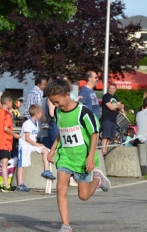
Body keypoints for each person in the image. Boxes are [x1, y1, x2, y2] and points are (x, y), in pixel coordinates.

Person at [46, 79, 110, 232]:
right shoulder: (58, 112)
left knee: (84, 196)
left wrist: (90, 156)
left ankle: (98, 179)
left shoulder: (83, 112)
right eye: (52, 102)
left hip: (82, 158)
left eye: (57, 101)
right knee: (61, 187)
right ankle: (66, 226)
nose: (55, 105)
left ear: (67, 95)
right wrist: (53, 149)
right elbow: (61, 132)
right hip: (66, 156)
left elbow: (94, 133)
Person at [17, 104, 56, 192]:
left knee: (45, 150)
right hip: (25, 146)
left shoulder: (36, 123)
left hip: (32, 145)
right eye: (41, 113)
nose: (42, 114)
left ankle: (46, 170)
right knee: (22, 164)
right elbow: (27, 138)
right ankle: (20, 184)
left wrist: (38, 145)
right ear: (37, 114)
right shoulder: (27, 123)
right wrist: (37, 144)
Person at [0, 92, 21, 192]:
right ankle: (6, 184)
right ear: (7, 102)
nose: (12, 104)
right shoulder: (7, 114)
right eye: (11, 102)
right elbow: (6, 128)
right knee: (4, 162)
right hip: (6, 141)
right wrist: (14, 134)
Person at [100, 83, 122, 156]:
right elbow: (110, 107)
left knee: (110, 138)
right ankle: (103, 151)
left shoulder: (116, 97)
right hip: (106, 118)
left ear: (115, 89)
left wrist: (117, 106)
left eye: (113, 88)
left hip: (113, 119)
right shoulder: (106, 96)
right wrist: (117, 106)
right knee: (105, 136)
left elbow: (121, 107)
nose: (111, 90)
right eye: (110, 88)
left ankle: (106, 152)